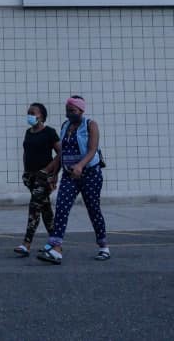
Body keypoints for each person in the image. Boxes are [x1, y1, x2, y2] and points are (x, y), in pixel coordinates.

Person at [38, 96, 109, 264]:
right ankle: (56, 247)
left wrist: (80, 165)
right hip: (70, 175)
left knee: (93, 209)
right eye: (67, 110)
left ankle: (103, 246)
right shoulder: (65, 126)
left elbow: (92, 150)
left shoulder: (91, 125)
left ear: (81, 111)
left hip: (90, 174)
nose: (69, 114)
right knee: (62, 206)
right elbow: (62, 153)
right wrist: (54, 172)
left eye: (73, 111)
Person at [14, 102, 61, 256]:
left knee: (34, 207)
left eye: (33, 113)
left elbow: (61, 154)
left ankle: (26, 244)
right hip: (31, 177)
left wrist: (51, 172)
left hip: (44, 178)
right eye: (28, 112)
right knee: (46, 210)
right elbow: (26, 153)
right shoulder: (28, 132)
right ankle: (55, 243)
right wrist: (26, 173)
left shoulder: (49, 132)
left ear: (41, 115)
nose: (30, 115)